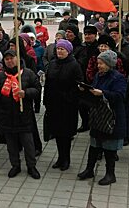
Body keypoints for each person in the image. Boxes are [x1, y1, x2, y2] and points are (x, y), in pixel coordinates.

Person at [0, 50, 42, 179]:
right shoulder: (1, 75)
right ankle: (15, 165)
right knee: (11, 144)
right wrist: (2, 95)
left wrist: (26, 93)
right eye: (6, 59)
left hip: (24, 115)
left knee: (28, 144)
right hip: (6, 116)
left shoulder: (28, 74)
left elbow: (37, 90)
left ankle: (31, 166)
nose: (9, 61)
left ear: (17, 58)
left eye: (11, 58)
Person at [77, 50, 126, 186]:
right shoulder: (99, 75)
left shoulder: (118, 78)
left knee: (109, 148)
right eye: (98, 63)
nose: (99, 66)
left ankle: (110, 174)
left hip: (111, 117)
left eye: (102, 63)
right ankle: (89, 169)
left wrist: (103, 93)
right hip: (98, 115)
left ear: (109, 64)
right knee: (94, 144)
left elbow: (120, 96)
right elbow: (94, 91)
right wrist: (85, 90)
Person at [43, 39, 83, 171]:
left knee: (66, 134)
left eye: (62, 49)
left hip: (67, 106)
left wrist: (68, 97)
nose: (59, 51)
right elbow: (48, 83)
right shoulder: (53, 63)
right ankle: (60, 158)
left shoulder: (74, 65)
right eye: (58, 49)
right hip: (54, 105)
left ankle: (66, 159)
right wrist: (46, 100)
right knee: (57, 133)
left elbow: (78, 85)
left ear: (68, 51)